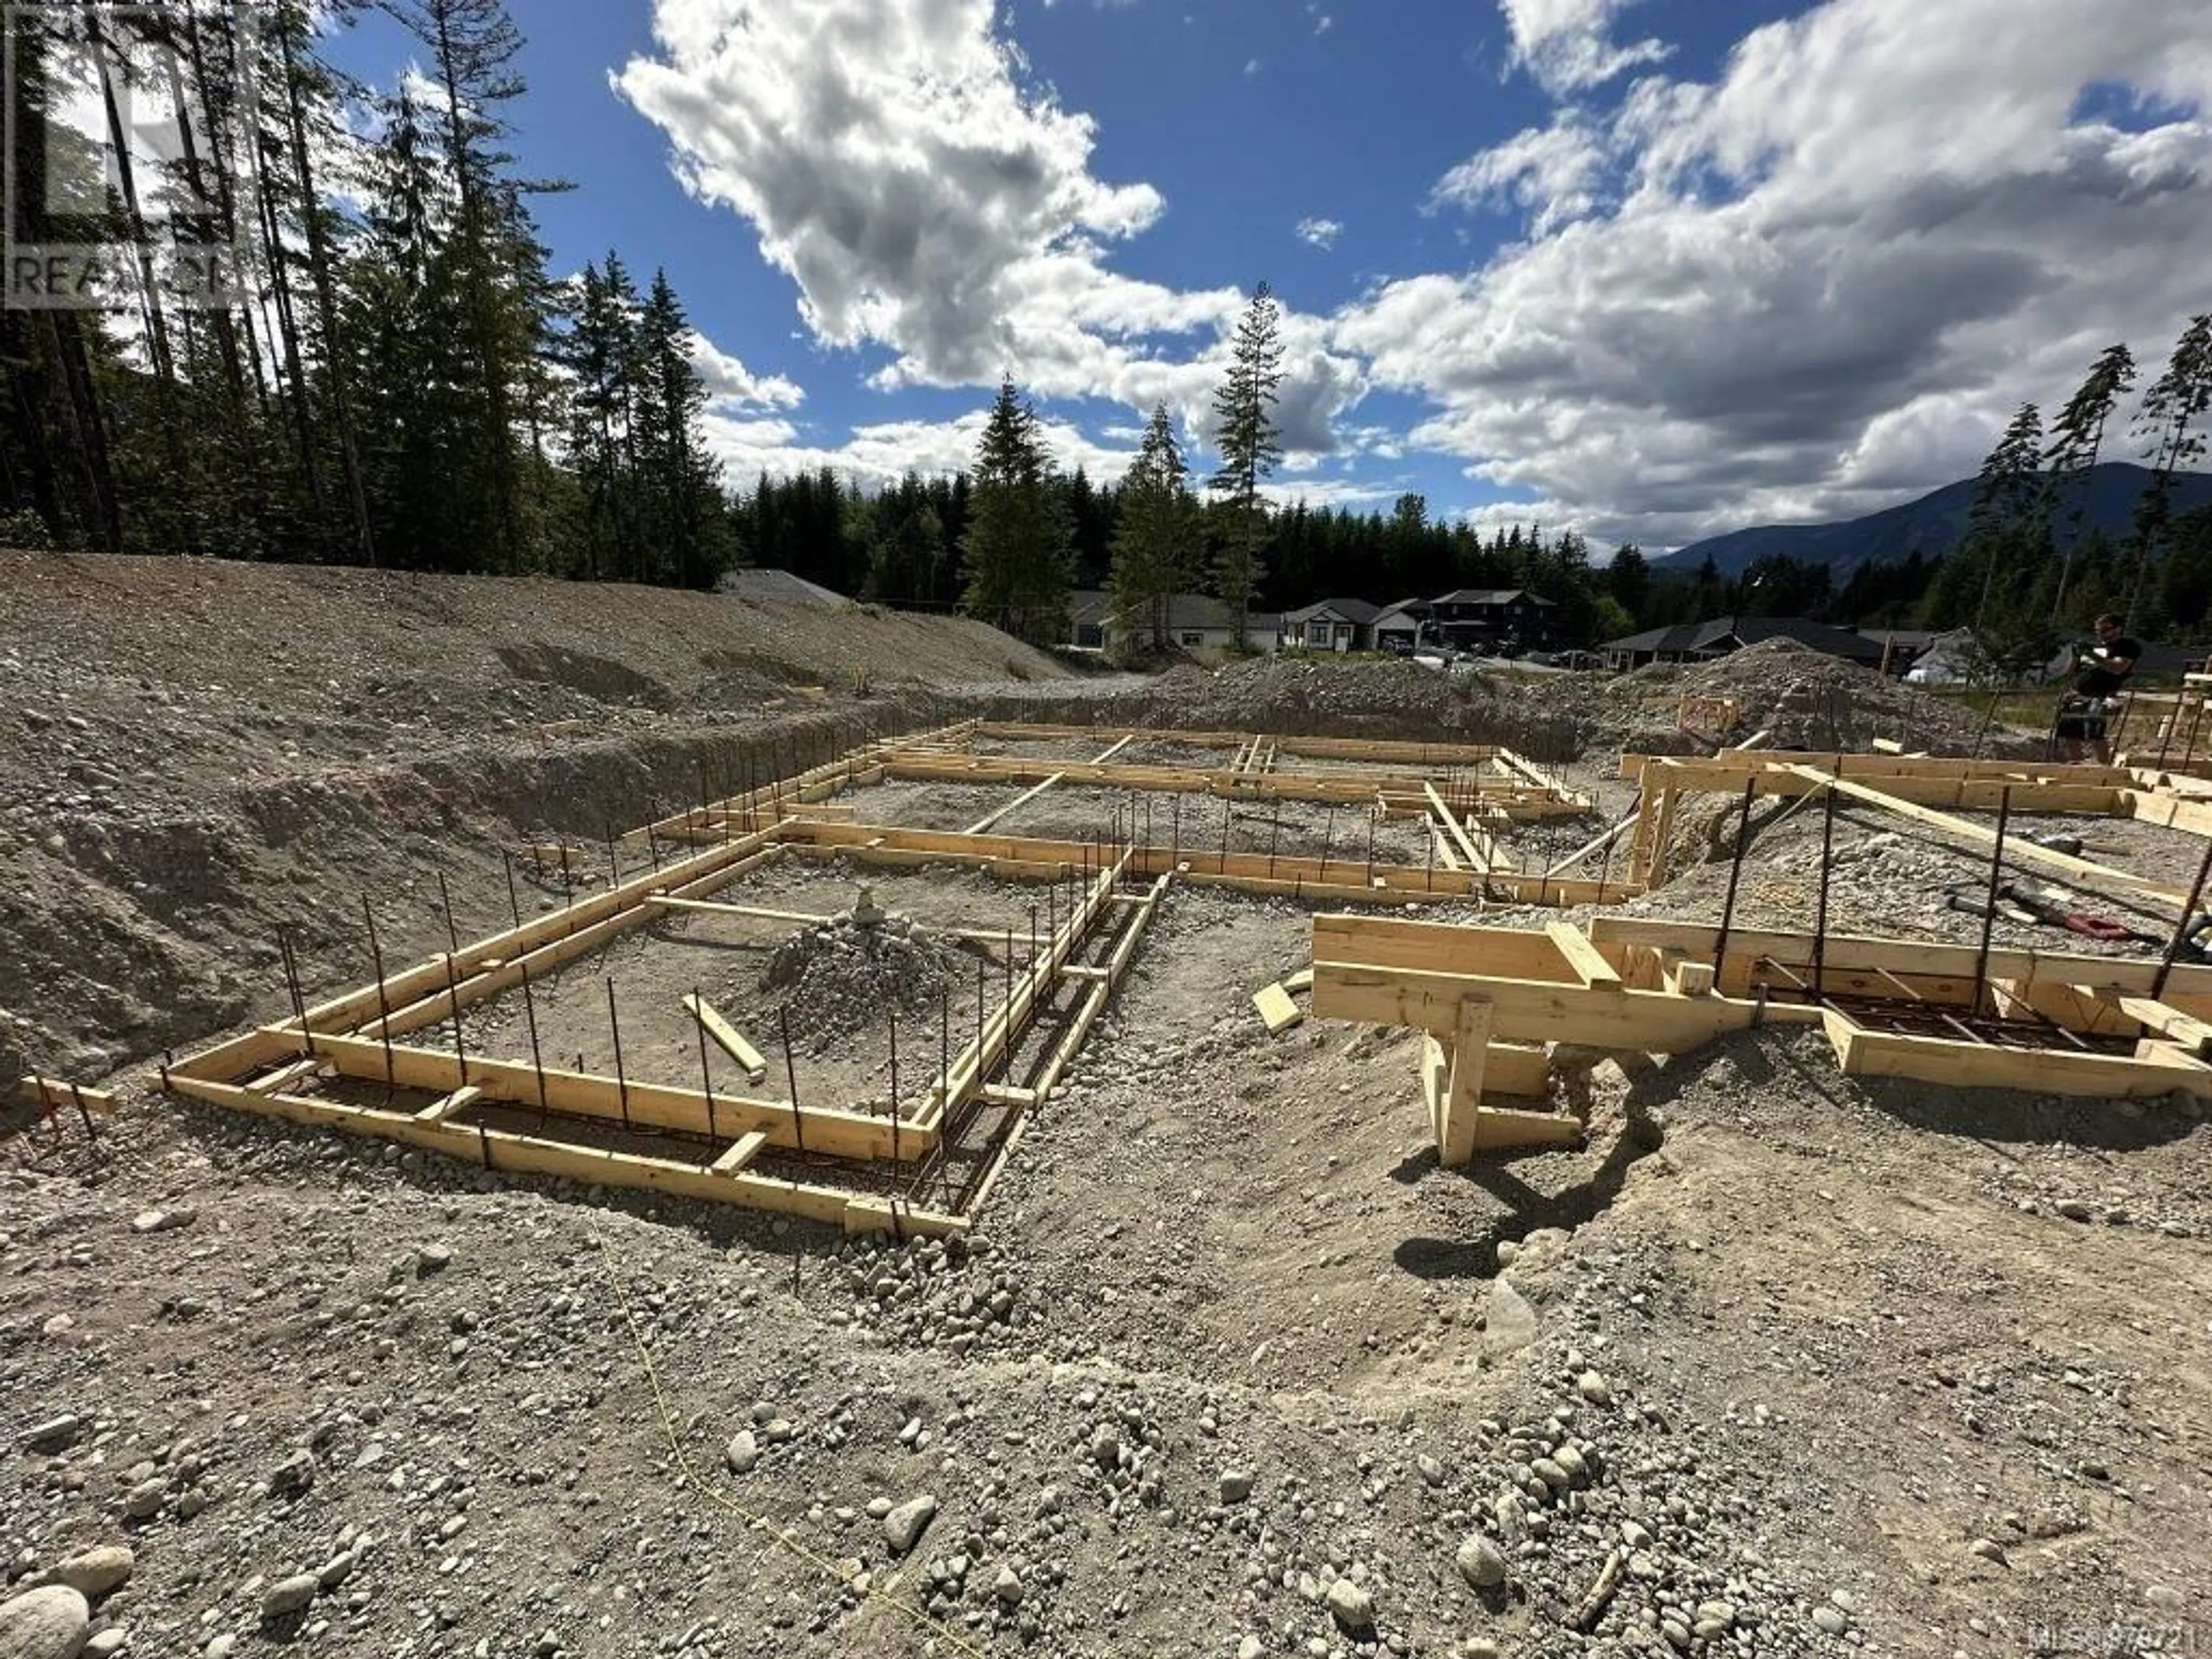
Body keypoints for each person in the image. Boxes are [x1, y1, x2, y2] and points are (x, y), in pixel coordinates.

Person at [2054, 613, 2142, 764]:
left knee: (2095, 735)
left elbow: (2118, 667)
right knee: (2070, 734)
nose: (2101, 634)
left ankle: (2103, 769)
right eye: (2098, 631)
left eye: (2105, 630)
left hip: (2101, 694)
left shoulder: (2126, 646)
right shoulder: (2095, 647)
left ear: (2117, 629)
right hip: (2078, 694)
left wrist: (2091, 654)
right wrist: (2076, 655)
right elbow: (2070, 671)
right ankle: (2077, 765)